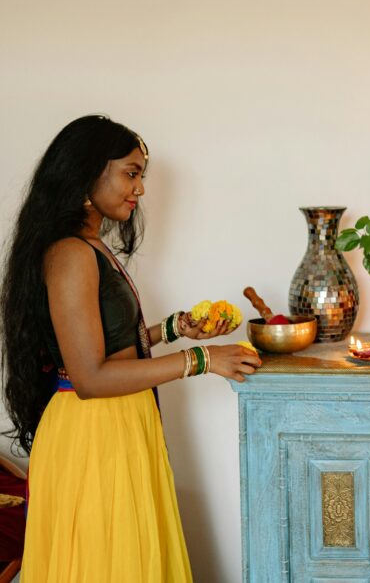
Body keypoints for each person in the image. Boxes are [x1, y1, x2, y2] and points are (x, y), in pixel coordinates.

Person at [0, 115, 262, 581]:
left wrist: (175, 329)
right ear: (87, 172)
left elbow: (109, 347)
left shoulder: (91, 246)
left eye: (141, 174)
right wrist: (202, 360)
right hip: (93, 432)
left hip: (119, 424)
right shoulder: (71, 253)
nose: (139, 189)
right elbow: (90, 377)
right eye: (131, 172)